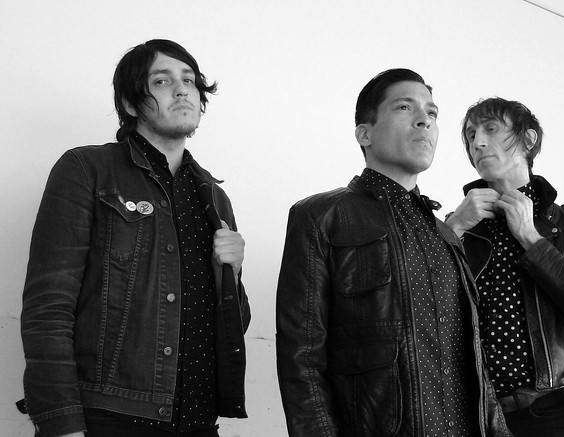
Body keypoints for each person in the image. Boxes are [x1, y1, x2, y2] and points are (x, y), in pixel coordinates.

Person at [19, 39, 250, 437]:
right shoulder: (87, 170)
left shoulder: (214, 197)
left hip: (198, 420)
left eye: (189, 80)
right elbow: (48, 307)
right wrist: (60, 422)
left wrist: (230, 273)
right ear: (129, 104)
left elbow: (232, 326)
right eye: (162, 81)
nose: (182, 90)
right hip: (109, 418)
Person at [275, 69, 511, 437]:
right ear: (364, 134)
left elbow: (475, 364)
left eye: (432, 113)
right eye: (404, 107)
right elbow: (301, 358)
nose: (424, 120)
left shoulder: (445, 235)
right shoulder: (322, 216)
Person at [445, 97, 564, 437]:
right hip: (476, 414)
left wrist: (531, 238)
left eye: (491, 129)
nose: (478, 143)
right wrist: (452, 231)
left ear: (528, 139)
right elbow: (424, 313)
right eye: (471, 135)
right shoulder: (458, 228)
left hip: (554, 411)